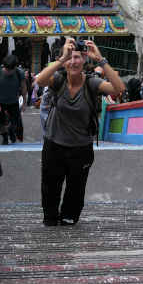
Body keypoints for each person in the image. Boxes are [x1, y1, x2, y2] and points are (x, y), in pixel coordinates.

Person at [34, 38, 125, 226]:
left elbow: (119, 88)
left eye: (77, 57)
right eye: (70, 58)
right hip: (54, 145)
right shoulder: (58, 80)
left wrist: (100, 59)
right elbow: (40, 80)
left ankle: (69, 216)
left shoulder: (91, 84)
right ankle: (50, 217)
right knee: (50, 185)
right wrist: (61, 58)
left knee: (76, 187)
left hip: (81, 148)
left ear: (84, 60)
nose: (73, 62)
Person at [0, 54, 28, 145]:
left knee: (15, 121)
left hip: (13, 102)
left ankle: (11, 131)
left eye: (11, 70)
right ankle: (5, 137)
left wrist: (24, 102)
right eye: (7, 69)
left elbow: (24, 87)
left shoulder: (19, 73)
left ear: (15, 67)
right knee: (0, 122)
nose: (8, 72)